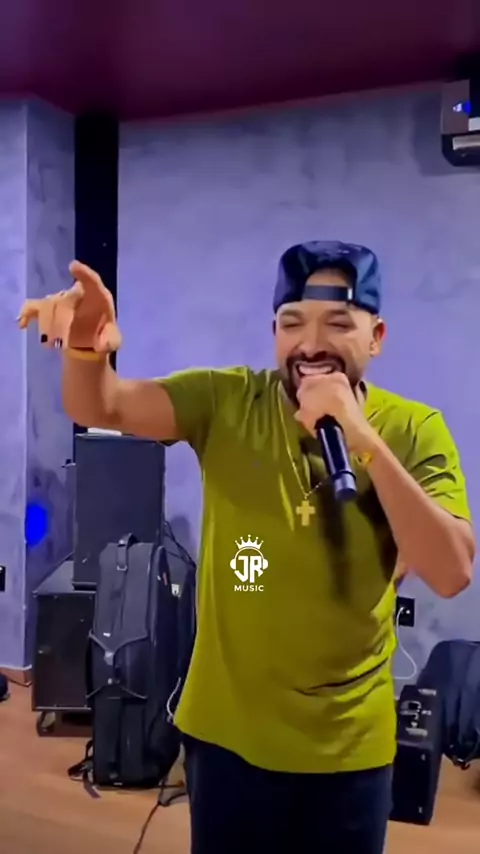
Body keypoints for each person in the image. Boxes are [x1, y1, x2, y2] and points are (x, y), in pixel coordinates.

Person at [19, 241, 474, 854]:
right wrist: (84, 349)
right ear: (274, 334)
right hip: (227, 737)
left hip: (349, 749)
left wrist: (362, 440)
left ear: (377, 337)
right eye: (292, 323)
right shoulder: (228, 401)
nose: (311, 344)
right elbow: (102, 404)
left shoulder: (414, 430)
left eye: (338, 324)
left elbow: (451, 571)